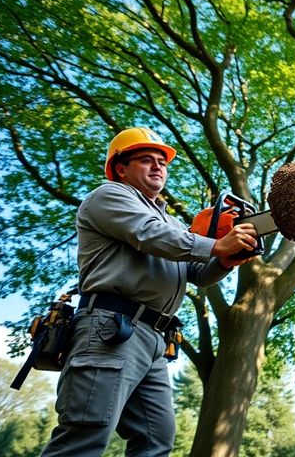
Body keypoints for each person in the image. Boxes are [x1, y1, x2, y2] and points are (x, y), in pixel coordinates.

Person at [41, 127, 259, 456]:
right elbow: (147, 234)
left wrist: (225, 260)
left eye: (162, 162)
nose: (158, 166)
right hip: (110, 328)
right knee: (86, 434)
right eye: (146, 160)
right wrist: (215, 245)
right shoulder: (109, 196)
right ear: (120, 168)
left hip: (154, 338)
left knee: (155, 439)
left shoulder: (170, 223)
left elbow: (196, 274)